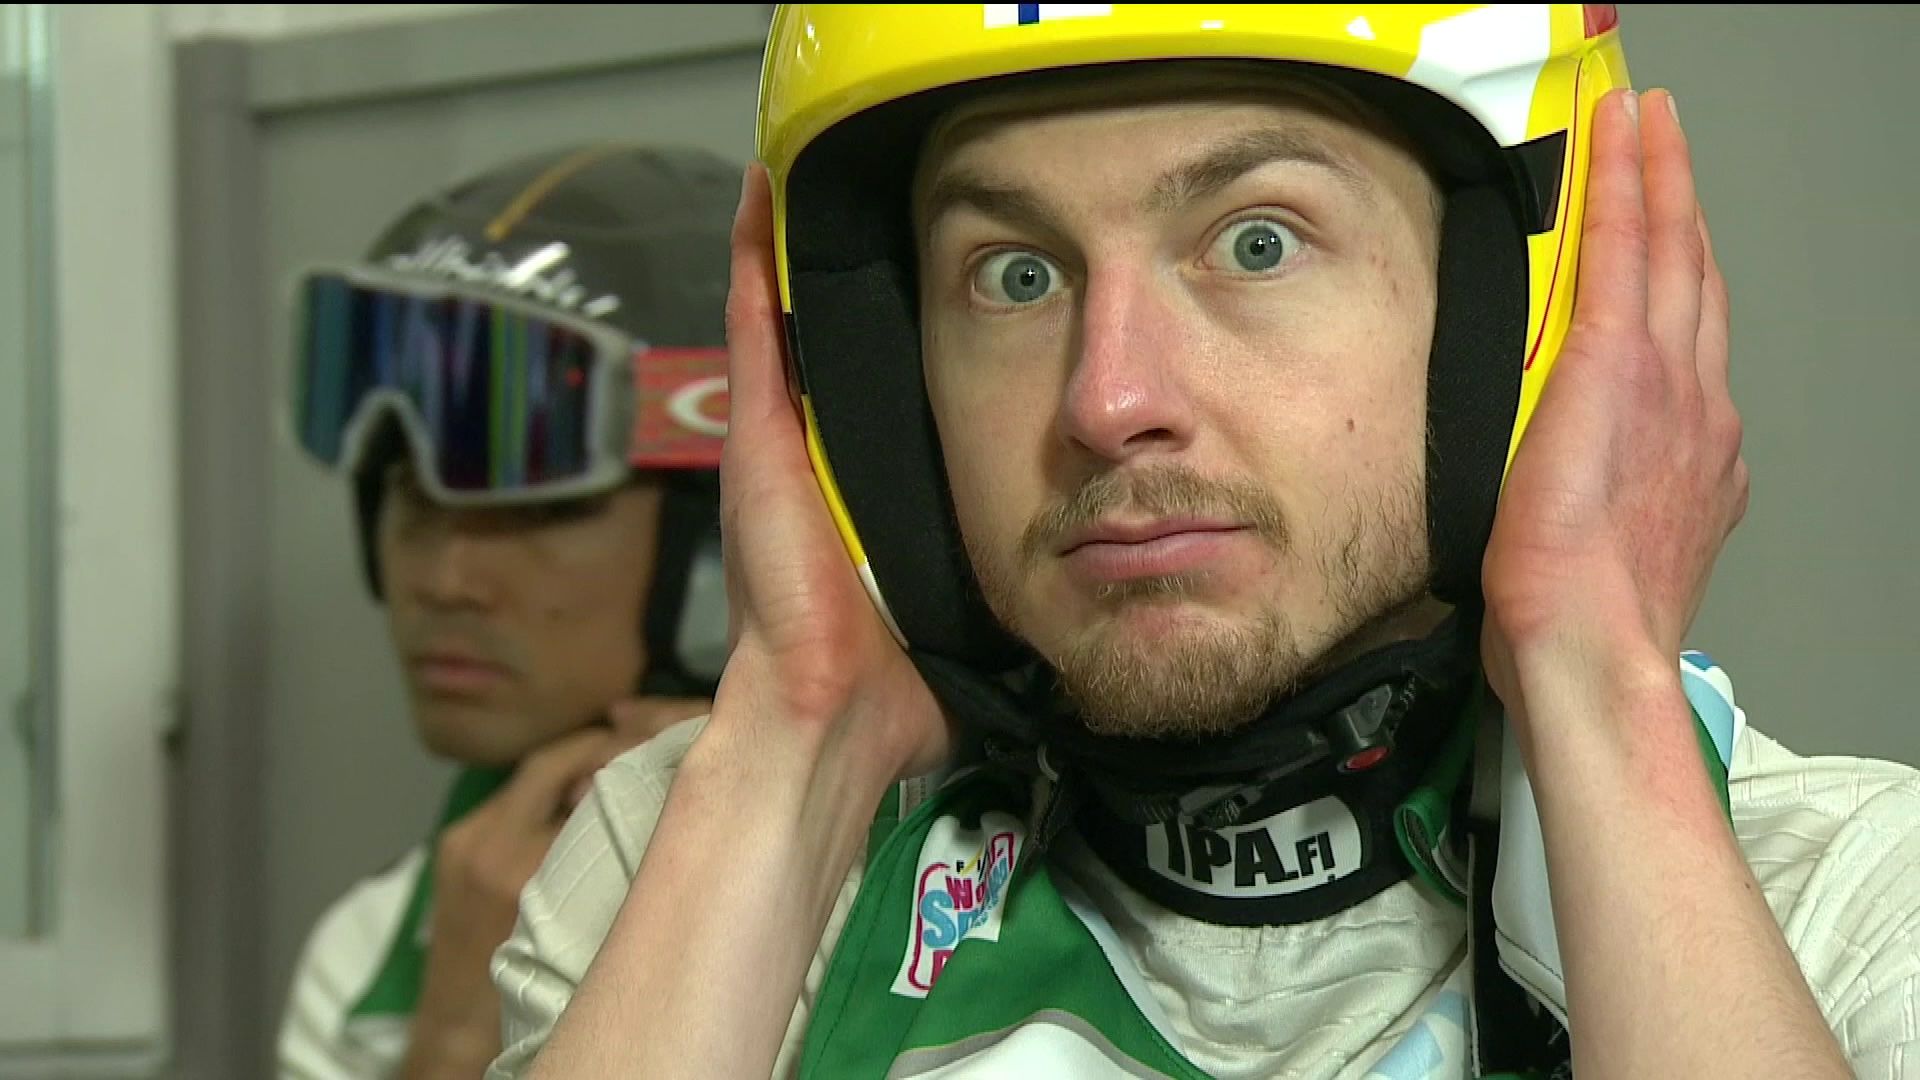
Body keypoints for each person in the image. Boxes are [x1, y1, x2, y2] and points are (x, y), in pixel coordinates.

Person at [491, 7, 1920, 1078]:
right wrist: (791, 744)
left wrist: (1601, 686)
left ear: (1517, 306)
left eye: (1256, 242)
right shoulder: (693, 855)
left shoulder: (1853, 901)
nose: (1109, 403)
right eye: (1015, 274)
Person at [274, 142, 741, 1079]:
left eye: (535, 513)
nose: (446, 580)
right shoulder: (371, 950)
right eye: (411, 498)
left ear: (721, 536)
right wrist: (454, 1032)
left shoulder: (939, 901)